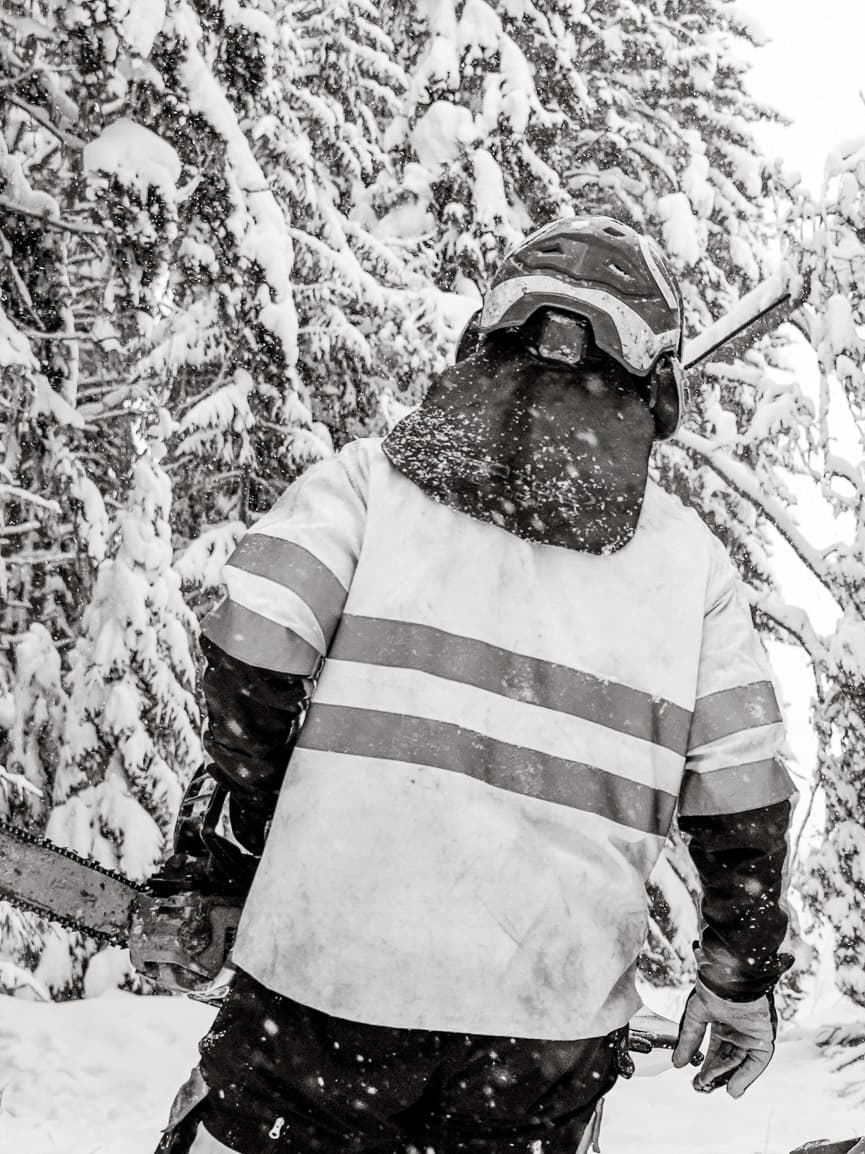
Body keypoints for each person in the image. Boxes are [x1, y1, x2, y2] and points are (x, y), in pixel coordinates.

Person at [140, 215, 796, 1154]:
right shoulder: (694, 574)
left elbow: (255, 644)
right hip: (539, 1045)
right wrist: (736, 984)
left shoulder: (367, 485)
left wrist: (257, 828)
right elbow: (745, 806)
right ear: (658, 389)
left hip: (321, 1000)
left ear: (483, 340)